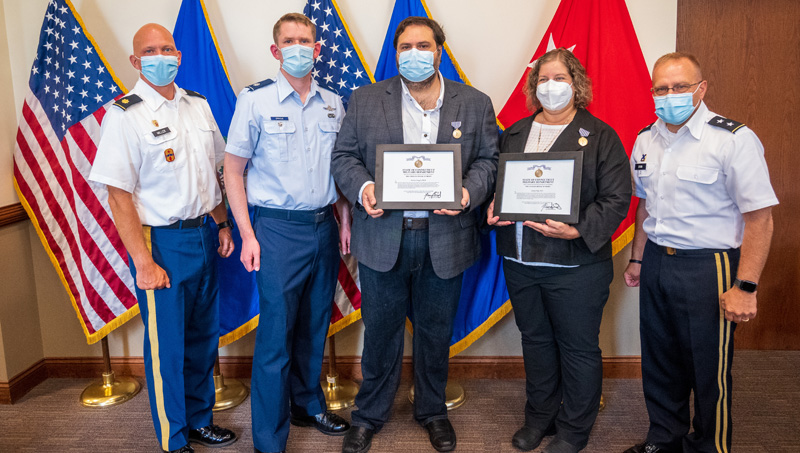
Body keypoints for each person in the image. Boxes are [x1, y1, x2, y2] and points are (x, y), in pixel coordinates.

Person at [331, 16, 498, 453]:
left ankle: (432, 411)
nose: (414, 54)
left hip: (446, 235)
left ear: (439, 51)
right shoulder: (365, 100)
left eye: (423, 46)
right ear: (397, 53)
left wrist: (466, 192)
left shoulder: (475, 102)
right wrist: (365, 189)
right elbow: (344, 157)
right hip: (384, 236)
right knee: (381, 331)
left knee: (435, 331)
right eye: (405, 47)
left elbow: (489, 161)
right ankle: (369, 416)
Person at [88, 24, 237, 453]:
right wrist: (143, 262)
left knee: (203, 339)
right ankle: (174, 440)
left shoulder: (197, 105)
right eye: (150, 51)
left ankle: (199, 420)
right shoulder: (124, 114)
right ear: (135, 62)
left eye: (167, 48)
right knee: (168, 349)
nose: (161, 56)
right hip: (162, 245)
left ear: (179, 54)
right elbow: (118, 196)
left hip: (204, 236)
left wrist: (223, 223)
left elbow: (211, 174)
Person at [623, 52, 778, 453]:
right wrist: (638, 258)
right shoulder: (645, 138)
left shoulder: (732, 139)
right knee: (659, 362)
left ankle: (711, 446)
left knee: (709, 369)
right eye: (661, 88)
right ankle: (665, 439)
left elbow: (759, 218)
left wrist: (745, 286)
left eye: (680, 87)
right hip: (657, 259)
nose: (669, 95)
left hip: (709, 265)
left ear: (701, 89)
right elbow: (645, 207)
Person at [486, 48, 632, 453]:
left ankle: (573, 429)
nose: (551, 86)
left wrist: (578, 229)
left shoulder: (600, 135)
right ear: (534, 87)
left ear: (576, 84)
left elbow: (618, 198)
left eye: (559, 78)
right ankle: (540, 418)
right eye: (543, 79)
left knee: (577, 346)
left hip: (576, 265)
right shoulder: (515, 132)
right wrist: (495, 204)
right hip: (519, 259)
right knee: (534, 341)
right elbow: (502, 186)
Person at [223, 12, 352, 453]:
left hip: (324, 227)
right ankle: (269, 438)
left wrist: (346, 219)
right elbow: (233, 170)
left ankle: (307, 404)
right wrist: (248, 234)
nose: (299, 48)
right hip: (276, 230)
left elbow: (338, 170)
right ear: (276, 50)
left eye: (307, 41)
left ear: (318, 49)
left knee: (315, 325)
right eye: (290, 41)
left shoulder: (333, 102)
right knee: (276, 337)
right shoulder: (254, 101)